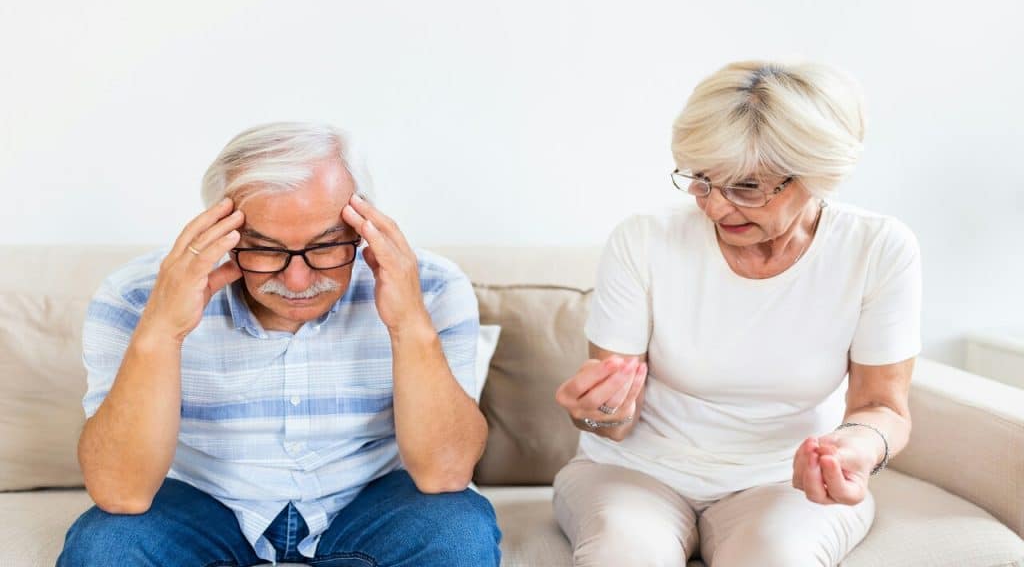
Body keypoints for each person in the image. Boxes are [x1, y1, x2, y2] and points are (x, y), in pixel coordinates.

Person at [58, 122, 501, 566]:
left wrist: (409, 324)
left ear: (362, 226)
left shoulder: (433, 287)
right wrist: (161, 331)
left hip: (370, 503)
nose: (297, 280)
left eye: (325, 247)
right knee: (106, 546)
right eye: (266, 250)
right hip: (201, 504)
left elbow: (445, 474)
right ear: (222, 234)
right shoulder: (134, 296)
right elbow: (121, 493)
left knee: (459, 532)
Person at [553, 61, 920, 566]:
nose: (716, 208)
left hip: (784, 482)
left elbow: (883, 407)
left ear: (815, 174)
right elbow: (613, 425)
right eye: (702, 180)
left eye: (746, 187)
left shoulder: (877, 248)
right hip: (635, 473)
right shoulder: (644, 240)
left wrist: (854, 448)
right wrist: (597, 414)